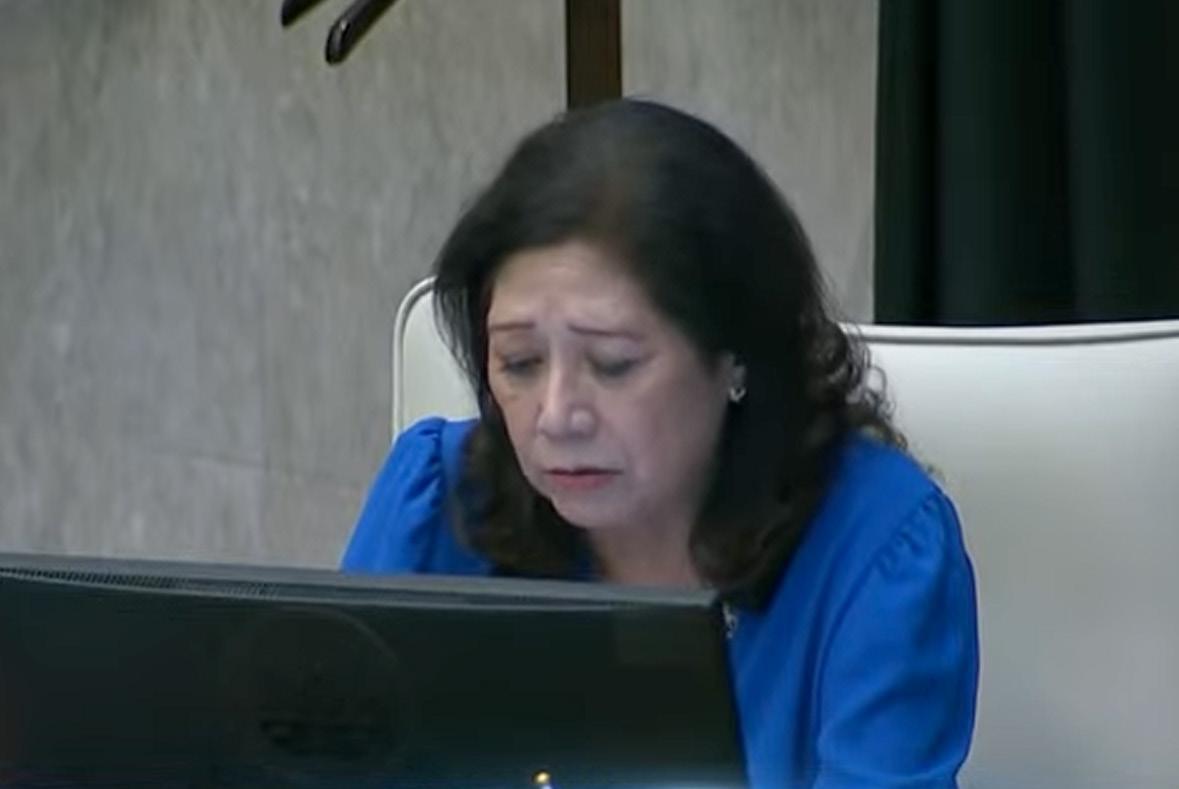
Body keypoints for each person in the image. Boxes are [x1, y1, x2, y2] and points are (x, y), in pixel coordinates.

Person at [343, 99, 978, 788]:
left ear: (734, 357)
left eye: (612, 364)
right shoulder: (436, 503)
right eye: (519, 363)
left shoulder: (874, 546)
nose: (555, 416)